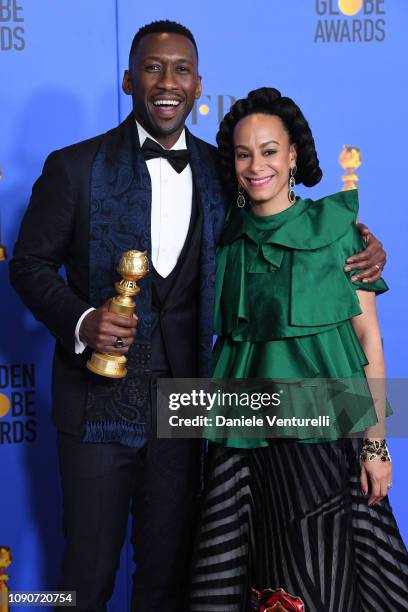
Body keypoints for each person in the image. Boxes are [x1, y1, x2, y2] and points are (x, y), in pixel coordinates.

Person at [9, 20, 385, 612]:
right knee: (84, 574)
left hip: (189, 411)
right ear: (130, 78)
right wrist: (82, 320)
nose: (167, 82)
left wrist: (359, 243)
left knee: (170, 576)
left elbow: (284, 219)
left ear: (198, 84)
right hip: (96, 407)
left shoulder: (222, 170)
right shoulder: (73, 168)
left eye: (180, 69)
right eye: (153, 68)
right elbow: (27, 265)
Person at [189, 88, 408, 612]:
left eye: (269, 150)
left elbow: (368, 339)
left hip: (325, 442)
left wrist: (376, 444)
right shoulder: (227, 238)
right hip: (243, 444)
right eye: (244, 153)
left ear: (293, 156)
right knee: (246, 575)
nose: (256, 164)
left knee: (322, 578)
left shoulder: (335, 230)